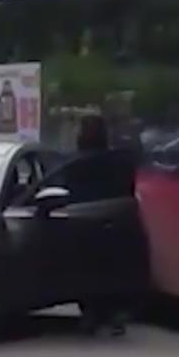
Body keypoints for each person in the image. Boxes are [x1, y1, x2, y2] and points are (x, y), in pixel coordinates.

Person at [68, 114, 136, 337]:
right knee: (113, 268)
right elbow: (128, 188)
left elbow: (68, 192)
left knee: (86, 270)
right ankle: (114, 314)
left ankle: (91, 314)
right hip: (115, 221)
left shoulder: (75, 163)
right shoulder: (120, 161)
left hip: (83, 222)